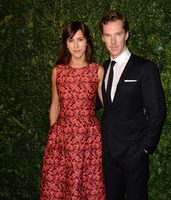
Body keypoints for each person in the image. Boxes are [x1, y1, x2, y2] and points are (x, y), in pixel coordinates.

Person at [100, 10, 167, 200]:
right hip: (109, 154)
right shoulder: (102, 68)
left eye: (118, 34)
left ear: (127, 34)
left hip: (134, 153)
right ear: (103, 38)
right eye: (108, 35)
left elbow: (158, 111)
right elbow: (96, 103)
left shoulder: (145, 68)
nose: (113, 41)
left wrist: (144, 148)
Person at [39, 21, 105, 200]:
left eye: (80, 39)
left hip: (88, 140)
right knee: (58, 188)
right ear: (65, 44)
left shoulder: (97, 71)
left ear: (87, 42)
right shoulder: (58, 72)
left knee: (89, 188)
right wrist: (54, 132)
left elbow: (109, 106)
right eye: (71, 40)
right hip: (62, 139)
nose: (76, 45)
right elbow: (55, 105)